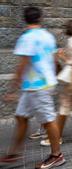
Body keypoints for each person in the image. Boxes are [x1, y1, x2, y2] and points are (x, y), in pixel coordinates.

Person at [0, 7, 65, 168]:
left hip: (39, 86)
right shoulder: (48, 36)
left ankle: (57, 155)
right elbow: (56, 59)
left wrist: (12, 89)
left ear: (25, 19)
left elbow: (22, 66)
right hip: (35, 86)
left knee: (48, 120)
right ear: (40, 18)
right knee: (21, 117)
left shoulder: (26, 38)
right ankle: (14, 153)